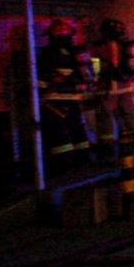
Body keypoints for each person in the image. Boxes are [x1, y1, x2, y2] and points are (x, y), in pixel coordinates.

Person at [37, 18, 95, 176]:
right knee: (76, 128)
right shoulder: (78, 52)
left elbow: (41, 77)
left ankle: (62, 164)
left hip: (55, 99)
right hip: (74, 98)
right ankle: (83, 159)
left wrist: (39, 93)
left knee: (58, 132)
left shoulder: (49, 53)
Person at [91, 18, 134, 161]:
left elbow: (94, 69)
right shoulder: (128, 44)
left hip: (108, 88)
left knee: (106, 119)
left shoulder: (102, 46)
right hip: (127, 87)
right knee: (130, 116)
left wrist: (92, 84)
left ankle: (109, 152)